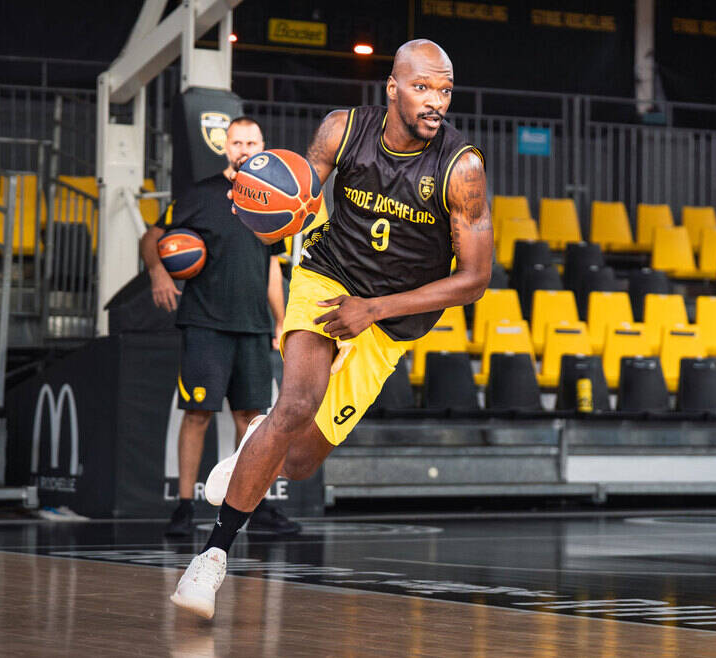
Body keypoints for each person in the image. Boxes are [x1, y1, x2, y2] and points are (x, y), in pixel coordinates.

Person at [170, 39, 493, 619]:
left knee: (297, 462)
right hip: (326, 278)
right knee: (295, 404)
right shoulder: (342, 130)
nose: (435, 101)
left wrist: (375, 310)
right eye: (423, 87)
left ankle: (251, 446)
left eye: (445, 91)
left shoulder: (460, 167)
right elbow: (299, 197)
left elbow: (473, 279)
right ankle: (212, 557)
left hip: (393, 318)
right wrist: (265, 208)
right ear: (392, 87)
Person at [139, 116, 301, 538]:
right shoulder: (199, 195)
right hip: (206, 324)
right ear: (225, 148)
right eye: (237, 142)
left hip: (252, 325)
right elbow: (151, 238)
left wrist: (281, 320)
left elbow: (270, 267)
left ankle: (256, 507)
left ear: (263, 145)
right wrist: (158, 271)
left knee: (252, 421)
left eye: (252, 141)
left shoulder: (270, 200)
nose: (244, 148)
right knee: (197, 415)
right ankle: (183, 507)